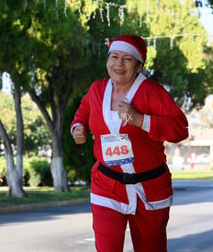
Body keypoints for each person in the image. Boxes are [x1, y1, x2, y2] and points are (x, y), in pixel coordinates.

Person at [71, 34, 189, 251]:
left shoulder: (152, 92)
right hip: (107, 184)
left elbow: (180, 128)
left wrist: (140, 120)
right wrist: (77, 126)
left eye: (127, 59)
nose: (119, 63)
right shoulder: (97, 89)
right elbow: (84, 108)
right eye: (114, 56)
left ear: (139, 66)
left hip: (150, 187)